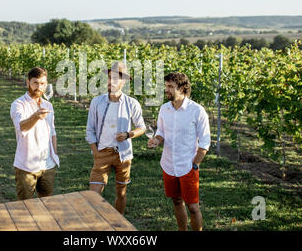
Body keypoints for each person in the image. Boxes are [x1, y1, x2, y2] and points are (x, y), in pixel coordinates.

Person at [148, 72, 210, 231]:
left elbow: (205, 142)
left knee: (193, 207)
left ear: (182, 88)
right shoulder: (164, 109)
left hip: (187, 166)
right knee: (176, 201)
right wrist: (157, 140)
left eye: (170, 87)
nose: (166, 90)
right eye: (166, 86)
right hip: (168, 164)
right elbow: (161, 132)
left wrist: (195, 164)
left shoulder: (197, 111)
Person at [86, 61, 146, 214]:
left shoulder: (132, 103)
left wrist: (128, 134)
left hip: (123, 155)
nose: (111, 81)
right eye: (109, 78)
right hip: (102, 153)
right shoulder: (96, 102)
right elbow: (89, 130)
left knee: (121, 192)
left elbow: (142, 127)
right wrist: (95, 152)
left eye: (116, 78)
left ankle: (118, 225)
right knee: (93, 196)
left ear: (124, 81)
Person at [10, 67, 59, 200]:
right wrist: (36, 116)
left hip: (48, 165)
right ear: (28, 83)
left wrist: (54, 154)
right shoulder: (18, 104)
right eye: (35, 83)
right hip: (27, 166)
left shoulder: (48, 105)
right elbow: (22, 127)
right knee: (25, 206)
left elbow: (52, 132)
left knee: (46, 203)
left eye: (42, 83)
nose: (39, 87)